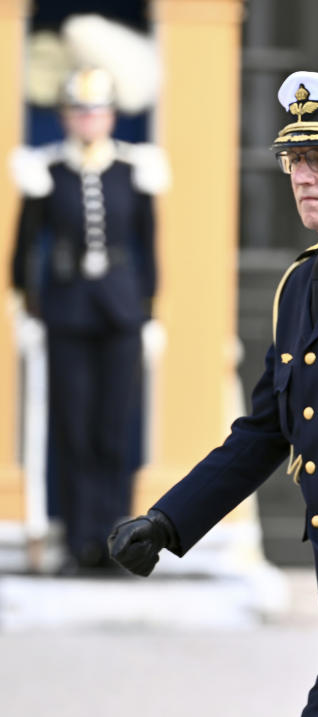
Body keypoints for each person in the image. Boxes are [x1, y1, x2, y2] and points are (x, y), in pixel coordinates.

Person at [108, 71, 318, 716]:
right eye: (295, 159)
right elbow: (265, 430)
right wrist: (169, 521)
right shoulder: (301, 285)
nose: (304, 176)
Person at [10, 67, 165, 573]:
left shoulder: (132, 169)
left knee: (113, 430)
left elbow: (148, 246)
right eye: (79, 111)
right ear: (65, 117)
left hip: (120, 311)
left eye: (96, 111)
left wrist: (149, 312)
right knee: (73, 429)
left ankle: (114, 543)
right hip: (67, 311)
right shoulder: (46, 171)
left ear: (111, 116)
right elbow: (24, 249)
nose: (88, 120)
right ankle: (78, 542)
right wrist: (28, 307)